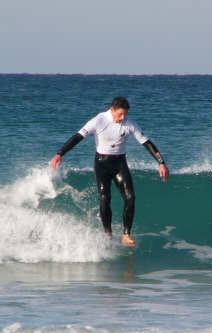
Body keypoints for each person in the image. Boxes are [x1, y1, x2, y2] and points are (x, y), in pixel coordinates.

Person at [51, 97, 169, 246]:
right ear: (112, 109)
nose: (123, 118)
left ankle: (126, 235)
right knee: (105, 198)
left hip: (120, 163)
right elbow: (78, 137)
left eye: (125, 114)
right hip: (102, 164)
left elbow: (146, 142)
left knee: (130, 197)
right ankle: (108, 233)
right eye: (120, 114)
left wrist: (161, 163)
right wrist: (60, 153)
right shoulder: (99, 120)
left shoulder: (129, 123)